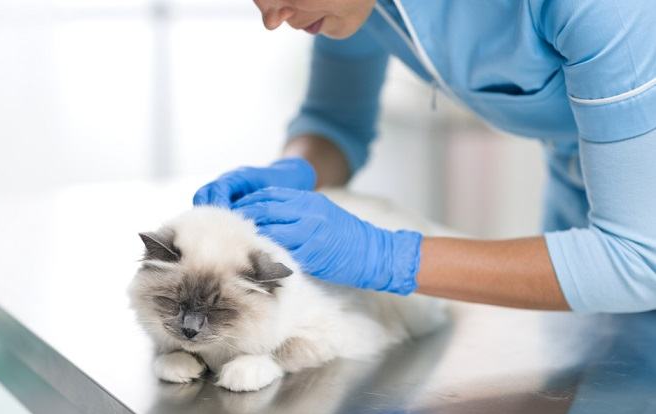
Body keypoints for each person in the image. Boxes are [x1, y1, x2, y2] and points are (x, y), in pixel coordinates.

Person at [193, 0, 656, 313]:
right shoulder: (362, 7)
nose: (271, 17)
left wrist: (387, 257)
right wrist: (295, 169)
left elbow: (638, 259)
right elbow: (336, 123)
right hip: (581, 204)